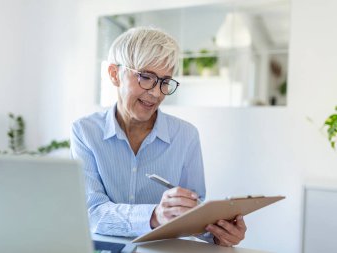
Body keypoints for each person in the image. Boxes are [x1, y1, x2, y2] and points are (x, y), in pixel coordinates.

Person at [71, 27, 246, 247]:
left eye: (165, 81)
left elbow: (193, 212)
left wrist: (217, 233)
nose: (156, 93)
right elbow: (92, 212)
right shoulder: (85, 131)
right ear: (115, 74)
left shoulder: (186, 136)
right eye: (145, 77)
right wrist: (154, 215)